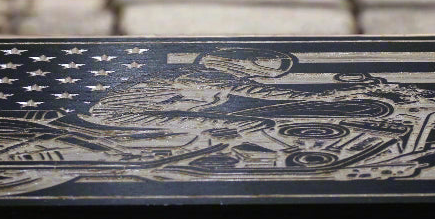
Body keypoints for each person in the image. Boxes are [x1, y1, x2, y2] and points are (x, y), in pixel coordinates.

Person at [84, 48, 391, 137]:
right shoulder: (199, 76)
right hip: (120, 115)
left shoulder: (205, 75)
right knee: (242, 126)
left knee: (242, 120)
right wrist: (337, 96)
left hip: (150, 112)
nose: (251, 74)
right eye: (249, 70)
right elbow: (278, 96)